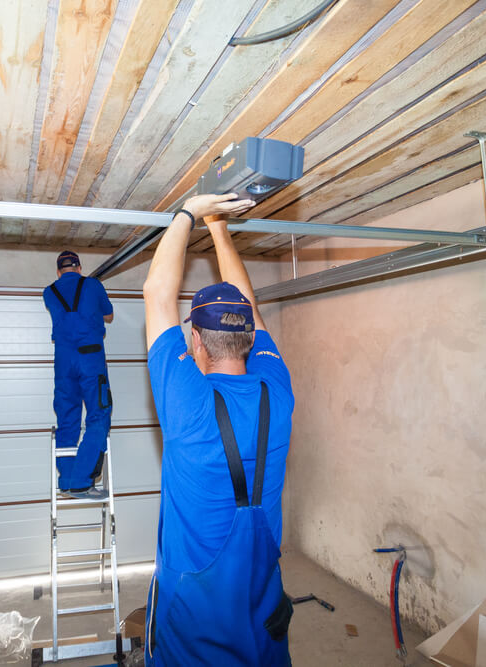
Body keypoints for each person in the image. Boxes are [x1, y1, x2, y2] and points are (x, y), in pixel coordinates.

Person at [142, 194, 295, 666]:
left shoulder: (187, 404)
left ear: (195, 342)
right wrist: (218, 229)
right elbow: (246, 305)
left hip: (193, 628)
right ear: (251, 338)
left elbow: (155, 294)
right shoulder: (278, 391)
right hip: (262, 608)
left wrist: (189, 210)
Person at [43, 250, 115, 495]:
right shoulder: (93, 285)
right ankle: (83, 480)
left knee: (67, 418)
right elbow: (109, 314)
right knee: (98, 414)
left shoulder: (49, 292)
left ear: (58, 271)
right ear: (79, 267)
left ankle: (67, 480)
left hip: (64, 361)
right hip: (90, 358)